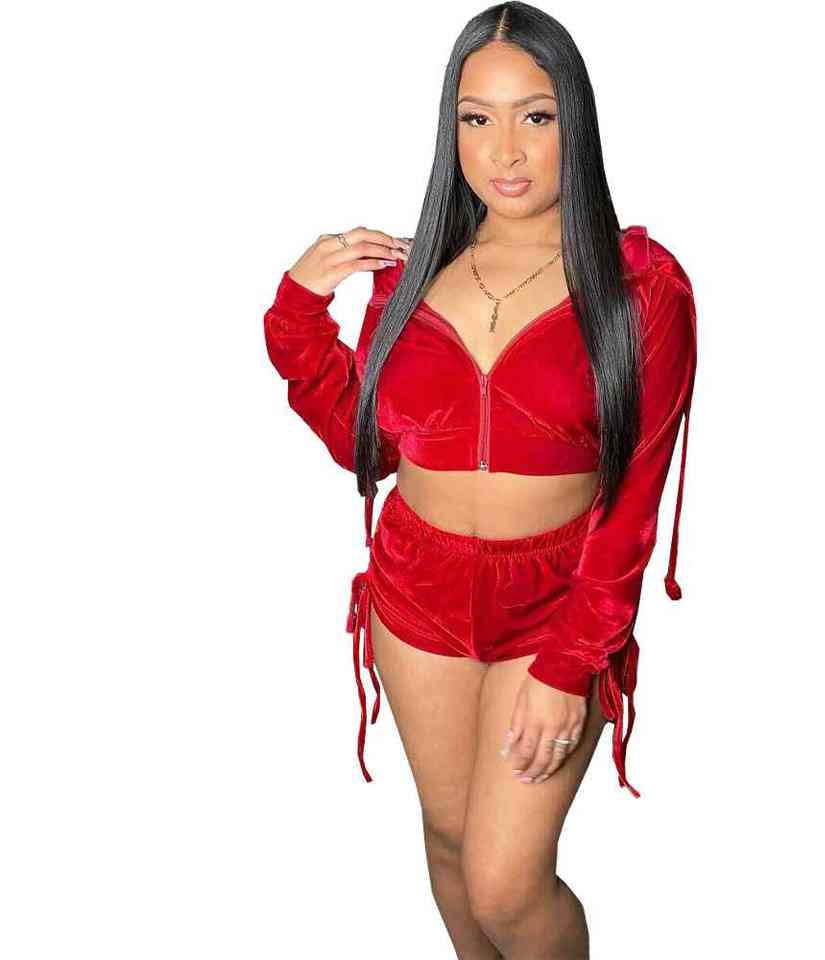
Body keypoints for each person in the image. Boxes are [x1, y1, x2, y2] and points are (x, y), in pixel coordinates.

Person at [262, 3, 697, 956]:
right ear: (449, 127)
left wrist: (572, 662)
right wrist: (297, 318)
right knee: (452, 843)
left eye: (536, 116)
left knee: (507, 883)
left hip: (555, 601)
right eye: (477, 117)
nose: (505, 149)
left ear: (576, 122)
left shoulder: (641, 286)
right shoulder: (408, 276)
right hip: (415, 590)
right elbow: (371, 449)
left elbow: (634, 500)